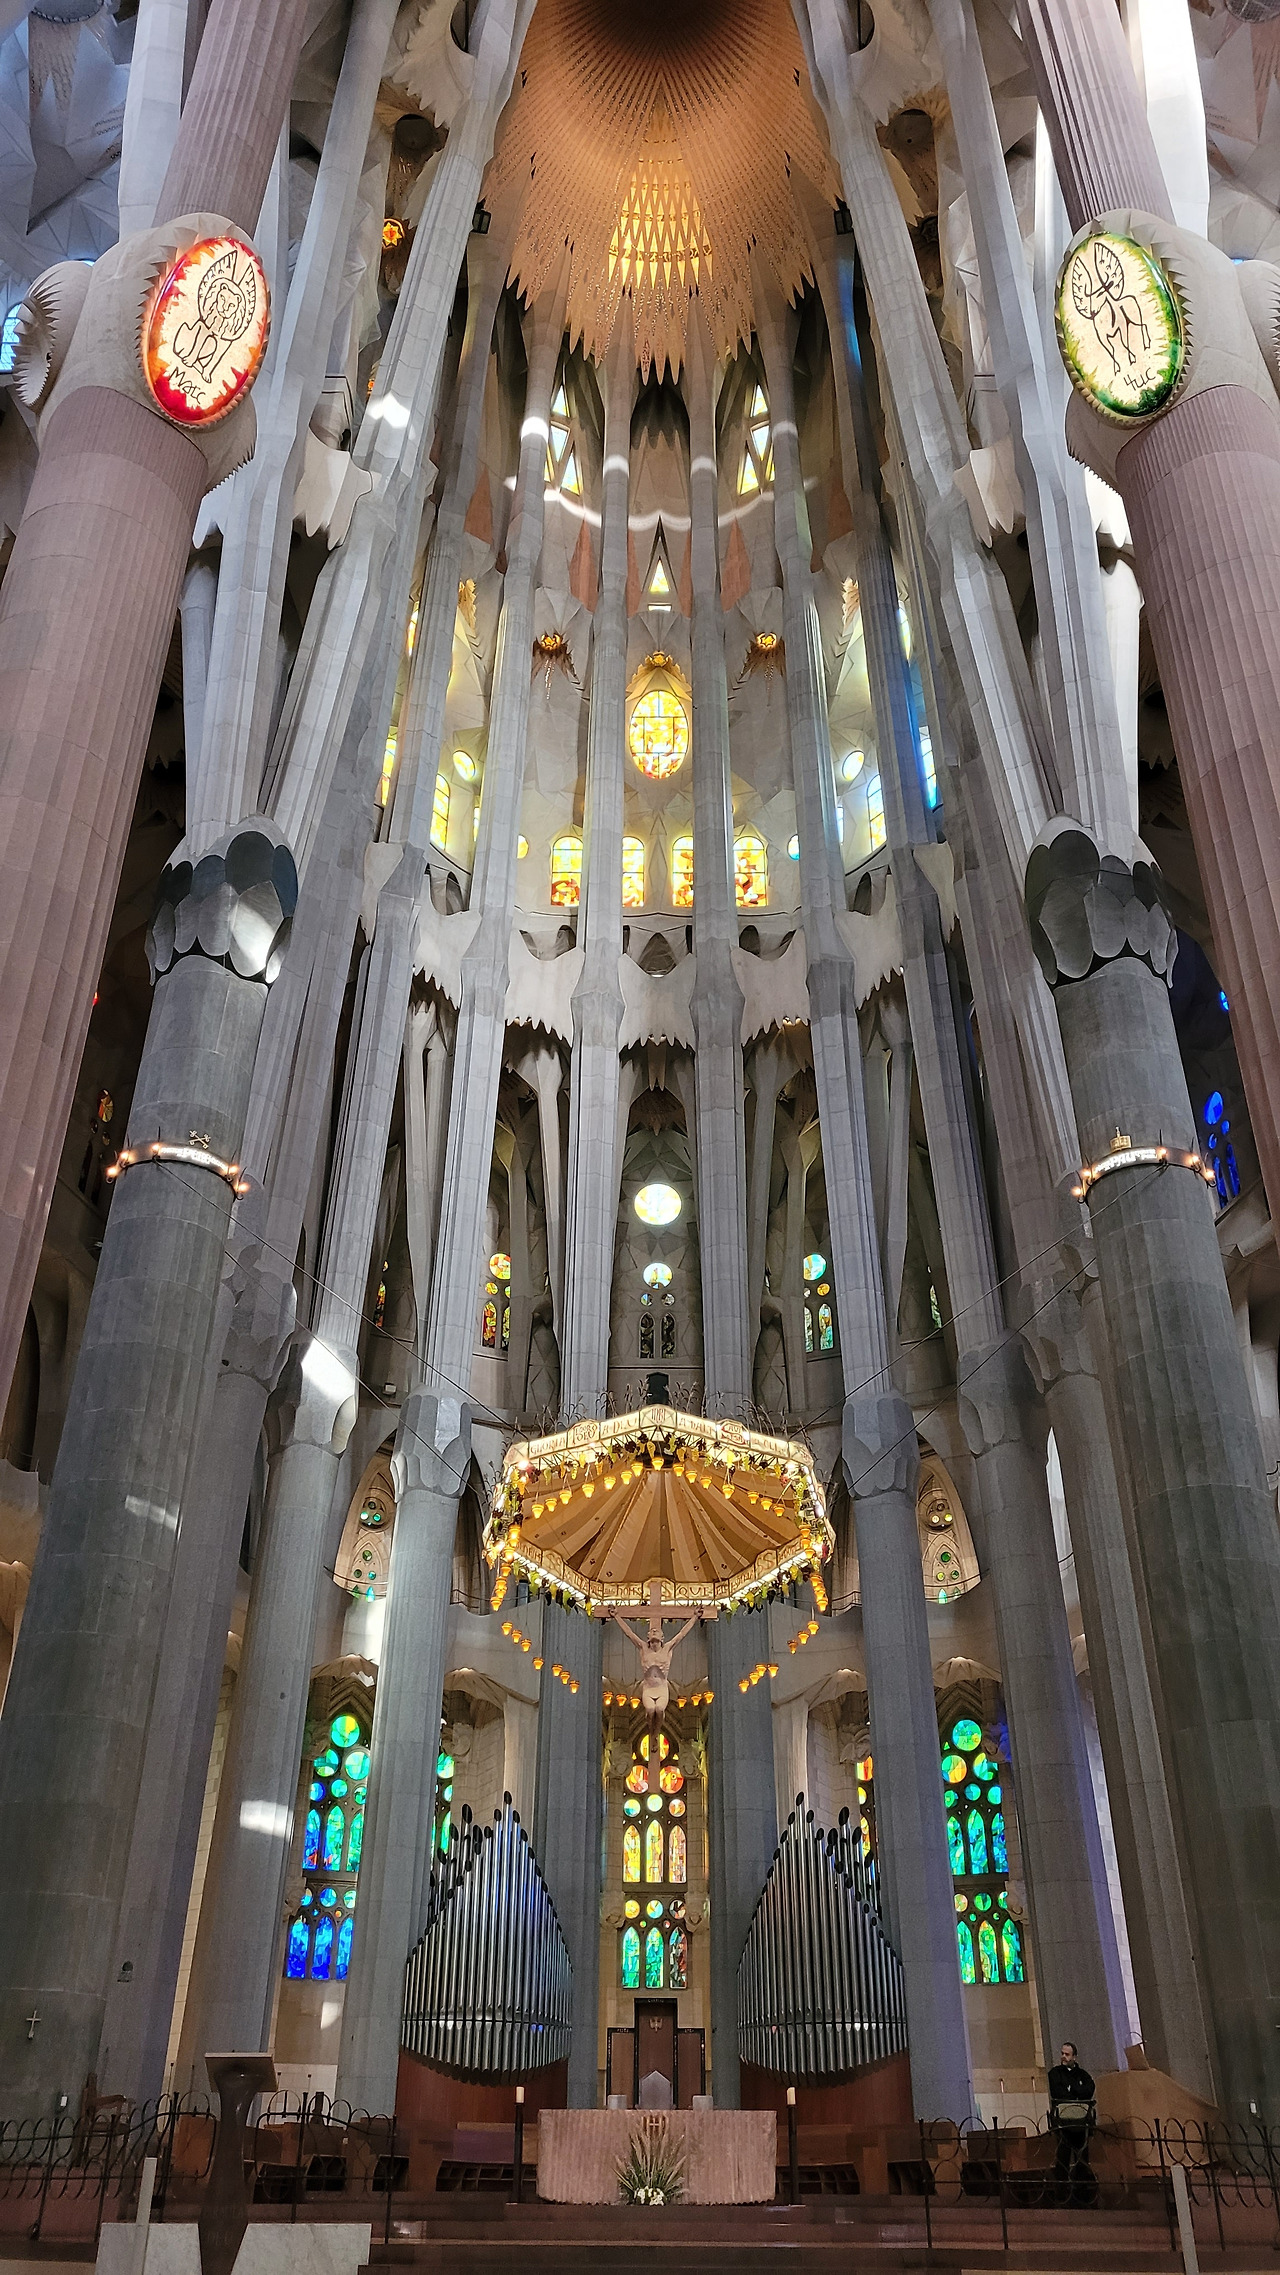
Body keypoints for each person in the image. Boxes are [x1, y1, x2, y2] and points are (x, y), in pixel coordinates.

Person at [1047, 2043, 1096, 2201]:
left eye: (1067, 2054)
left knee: (1082, 2159)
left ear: (1074, 2057)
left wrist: (1072, 2089)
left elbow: (1089, 2090)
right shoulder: (1055, 2073)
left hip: (1081, 2124)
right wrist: (1077, 2094)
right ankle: (1062, 2194)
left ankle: (1081, 2194)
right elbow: (1058, 2093)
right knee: (1062, 2158)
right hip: (1063, 2123)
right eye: (1062, 2053)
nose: (1063, 2056)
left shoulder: (1083, 2075)